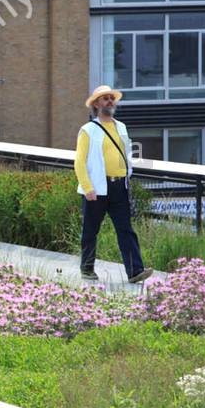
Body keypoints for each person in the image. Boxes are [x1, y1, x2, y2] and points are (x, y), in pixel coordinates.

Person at [75, 84, 152, 284]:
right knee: (91, 230)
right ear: (96, 105)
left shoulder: (121, 127)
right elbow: (79, 162)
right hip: (97, 187)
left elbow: (127, 155)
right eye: (105, 98)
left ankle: (135, 271)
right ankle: (87, 268)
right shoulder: (88, 130)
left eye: (111, 98)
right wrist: (88, 187)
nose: (110, 101)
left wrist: (128, 175)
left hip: (119, 186)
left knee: (125, 229)